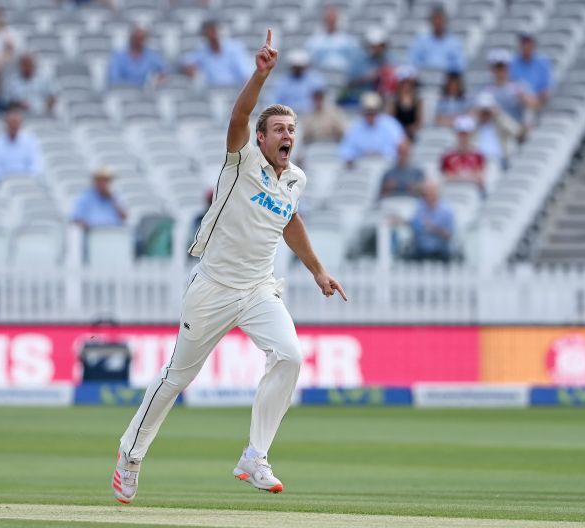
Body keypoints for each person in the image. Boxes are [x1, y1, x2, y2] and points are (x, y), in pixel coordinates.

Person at [112, 29, 346, 504]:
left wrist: (318, 270)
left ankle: (255, 456)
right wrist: (260, 75)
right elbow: (239, 114)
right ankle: (130, 455)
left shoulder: (296, 178)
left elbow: (290, 221)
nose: (288, 136)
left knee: (291, 356)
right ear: (260, 138)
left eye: (292, 130)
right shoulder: (240, 161)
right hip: (213, 286)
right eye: (279, 130)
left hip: (259, 289)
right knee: (178, 376)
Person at [479, 48, 537, 138]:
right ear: (492, 69)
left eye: (503, 67)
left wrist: (522, 98)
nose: (500, 71)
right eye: (497, 67)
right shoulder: (487, 90)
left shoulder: (518, 86)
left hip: (517, 128)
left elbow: (533, 104)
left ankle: (519, 133)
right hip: (496, 132)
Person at [339, 91, 407, 168]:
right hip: (361, 168)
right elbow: (346, 150)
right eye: (367, 111)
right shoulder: (354, 127)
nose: (370, 115)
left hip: (386, 166)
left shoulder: (390, 124)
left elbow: (402, 145)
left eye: (373, 111)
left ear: (378, 110)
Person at [0, 105, 43, 186]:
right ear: (6, 124)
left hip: (27, 182)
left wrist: (28, 178)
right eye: (11, 124)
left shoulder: (30, 141)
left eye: (16, 124)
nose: (13, 126)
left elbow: (36, 164)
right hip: (3, 183)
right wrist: (2, 179)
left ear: (20, 124)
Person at [183, 19, 252, 87]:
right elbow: (188, 62)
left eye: (213, 32)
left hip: (234, 90)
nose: (212, 36)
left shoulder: (235, 48)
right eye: (208, 34)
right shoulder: (202, 50)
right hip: (211, 92)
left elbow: (245, 74)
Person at [305, 6, 361, 77]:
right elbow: (310, 63)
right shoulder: (314, 41)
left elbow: (355, 61)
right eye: (328, 20)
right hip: (321, 78)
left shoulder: (349, 40)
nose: (331, 22)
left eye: (333, 19)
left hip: (344, 77)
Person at [344, 28, 396, 104]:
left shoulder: (390, 59)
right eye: (374, 45)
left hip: (384, 99)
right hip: (362, 98)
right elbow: (349, 82)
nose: (377, 49)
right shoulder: (359, 61)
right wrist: (366, 78)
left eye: (380, 46)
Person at [107, 23, 167, 87]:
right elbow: (115, 79)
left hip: (144, 93)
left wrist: (155, 81)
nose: (139, 42)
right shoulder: (119, 56)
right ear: (131, 37)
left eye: (141, 38)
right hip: (124, 92)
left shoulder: (151, 56)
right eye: (136, 38)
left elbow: (165, 71)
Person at [409, 4, 465, 72]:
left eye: (440, 19)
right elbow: (412, 62)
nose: (438, 22)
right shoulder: (421, 41)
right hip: (424, 79)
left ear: (445, 21)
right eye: (435, 19)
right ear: (430, 21)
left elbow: (460, 66)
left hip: (447, 79)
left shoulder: (454, 43)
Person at [408, 180, 454, 262]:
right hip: (420, 250)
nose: (428, 196)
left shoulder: (447, 210)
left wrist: (433, 229)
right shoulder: (419, 207)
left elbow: (449, 235)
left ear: (437, 193)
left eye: (431, 192)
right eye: (426, 193)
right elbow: (414, 227)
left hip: (440, 250)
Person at [473, 91, 520, 169]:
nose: (485, 113)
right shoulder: (473, 126)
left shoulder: (500, 123)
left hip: (499, 162)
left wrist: (499, 114)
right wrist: (474, 116)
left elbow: (516, 131)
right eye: (483, 111)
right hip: (478, 164)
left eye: (487, 111)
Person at [440, 115, 486, 194]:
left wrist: (457, 176)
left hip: (472, 193)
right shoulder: (448, 156)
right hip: (452, 193)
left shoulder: (478, 156)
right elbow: (445, 178)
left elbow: (480, 179)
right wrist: (468, 177)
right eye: (461, 134)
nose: (463, 137)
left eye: (466, 134)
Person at [271, 49, 325, 114]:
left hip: (311, 116)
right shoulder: (283, 82)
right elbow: (276, 101)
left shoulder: (315, 80)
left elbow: (320, 101)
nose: (298, 69)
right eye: (296, 67)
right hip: (288, 116)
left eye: (300, 66)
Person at [510, 31, 553, 108]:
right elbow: (509, 86)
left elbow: (546, 90)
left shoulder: (542, 63)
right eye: (524, 43)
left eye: (528, 43)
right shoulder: (512, 63)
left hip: (539, 105)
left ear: (534, 45)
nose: (526, 46)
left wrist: (534, 101)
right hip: (517, 104)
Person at [387, 65, 423, 141]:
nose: (406, 86)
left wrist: (412, 129)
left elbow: (419, 122)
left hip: (412, 134)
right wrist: (399, 131)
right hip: (396, 134)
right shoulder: (393, 101)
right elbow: (390, 120)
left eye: (409, 83)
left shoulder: (417, 101)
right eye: (403, 83)